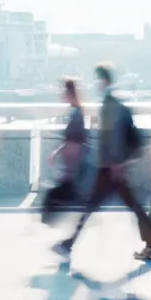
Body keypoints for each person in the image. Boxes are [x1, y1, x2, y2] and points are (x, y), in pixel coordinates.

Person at [56, 64, 151, 261]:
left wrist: (115, 164)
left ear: (103, 81)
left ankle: (68, 244)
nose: (96, 84)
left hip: (111, 168)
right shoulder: (111, 103)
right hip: (111, 167)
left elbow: (113, 136)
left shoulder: (109, 105)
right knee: (124, 205)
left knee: (103, 206)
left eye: (97, 80)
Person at [42, 78, 87, 223]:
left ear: (69, 93)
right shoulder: (75, 111)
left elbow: (75, 142)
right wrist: (58, 152)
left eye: (63, 91)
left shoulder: (77, 114)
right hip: (71, 166)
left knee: (57, 198)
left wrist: (67, 166)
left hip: (72, 166)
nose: (61, 94)